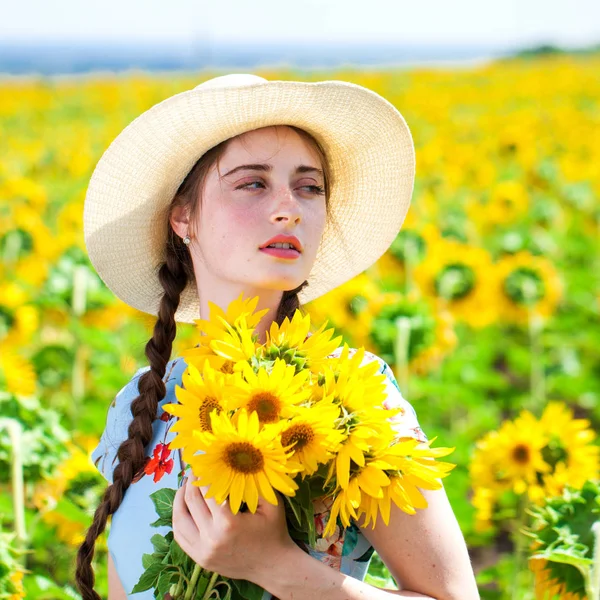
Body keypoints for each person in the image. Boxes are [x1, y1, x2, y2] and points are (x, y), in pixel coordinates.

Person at [77, 73, 479, 600]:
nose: (289, 207)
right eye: (253, 183)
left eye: (309, 187)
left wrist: (275, 565)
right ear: (183, 217)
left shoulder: (355, 398)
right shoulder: (139, 404)